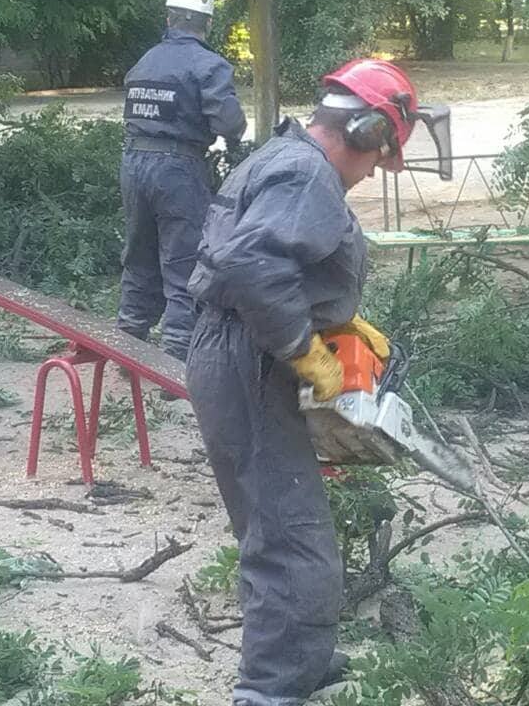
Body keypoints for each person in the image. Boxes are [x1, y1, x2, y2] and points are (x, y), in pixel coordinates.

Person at [186, 59, 451, 705]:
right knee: (289, 534)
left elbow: (266, 259)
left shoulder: (286, 157)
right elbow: (251, 263)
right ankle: (270, 690)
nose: (375, 172)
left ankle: (298, 662)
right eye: (380, 155)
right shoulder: (308, 175)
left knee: (288, 520)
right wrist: (302, 345)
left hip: (242, 349)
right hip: (251, 355)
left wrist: (335, 319)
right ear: (362, 131)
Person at [116, 0, 247, 360]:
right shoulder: (209, 65)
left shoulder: (145, 61)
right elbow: (229, 124)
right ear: (207, 23)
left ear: (170, 18)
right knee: (182, 262)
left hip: (133, 162)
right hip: (178, 169)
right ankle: (174, 361)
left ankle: (128, 347)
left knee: (139, 256)